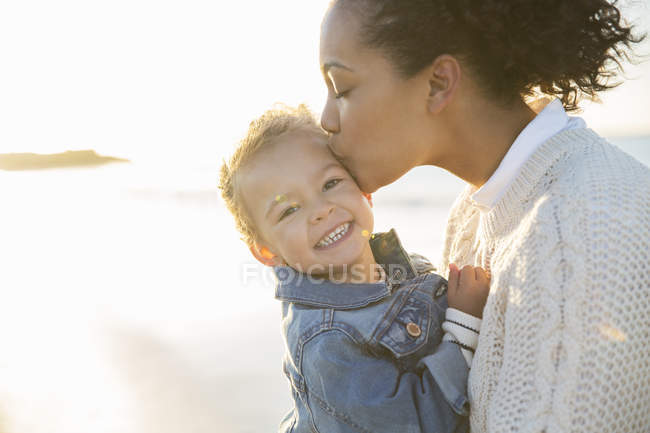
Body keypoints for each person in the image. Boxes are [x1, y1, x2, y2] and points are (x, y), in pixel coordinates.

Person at [318, 1, 650, 432]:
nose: (325, 119)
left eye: (340, 89)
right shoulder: (478, 211)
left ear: (438, 83)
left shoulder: (582, 231)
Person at [219, 105, 491, 432]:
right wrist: (464, 325)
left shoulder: (398, 269)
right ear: (266, 251)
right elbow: (417, 423)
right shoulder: (327, 341)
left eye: (330, 183)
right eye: (289, 210)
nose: (321, 211)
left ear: (364, 190)